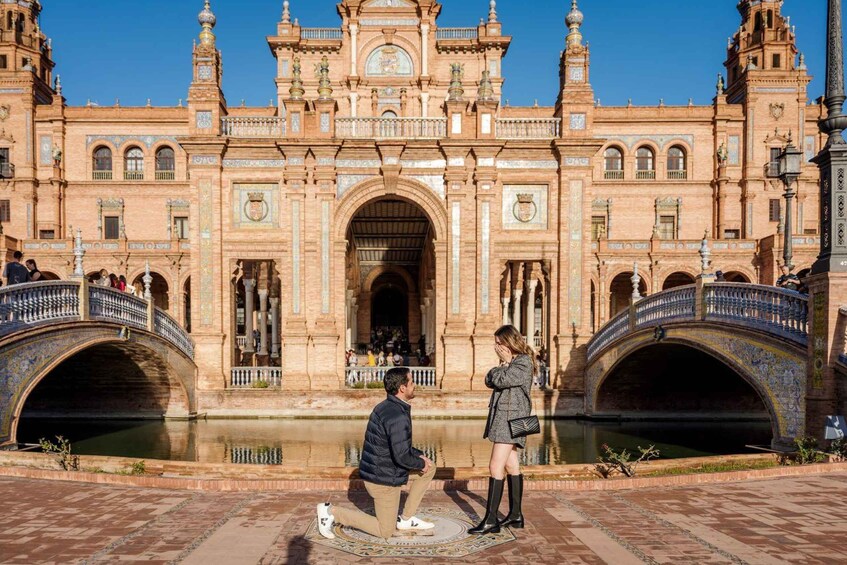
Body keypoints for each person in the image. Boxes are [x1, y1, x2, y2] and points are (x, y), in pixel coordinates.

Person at [317, 367, 436, 541]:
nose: (414, 385)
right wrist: (420, 463)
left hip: (384, 467)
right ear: (402, 388)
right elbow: (401, 456)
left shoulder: (389, 406)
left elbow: (398, 446)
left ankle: (407, 519)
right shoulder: (397, 416)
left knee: (430, 467)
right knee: (384, 531)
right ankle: (331, 513)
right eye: (411, 382)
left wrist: (421, 457)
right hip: (382, 479)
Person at [470, 324, 537, 535]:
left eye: (499, 343)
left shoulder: (524, 362)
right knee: (512, 465)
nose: (496, 347)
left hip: (511, 420)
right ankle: (516, 515)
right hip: (506, 419)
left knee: (494, 466)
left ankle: (491, 520)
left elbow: (501, 379)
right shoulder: (513, 363)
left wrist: (504, 365)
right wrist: (502, 367)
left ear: (510, 342)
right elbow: (489, 379)